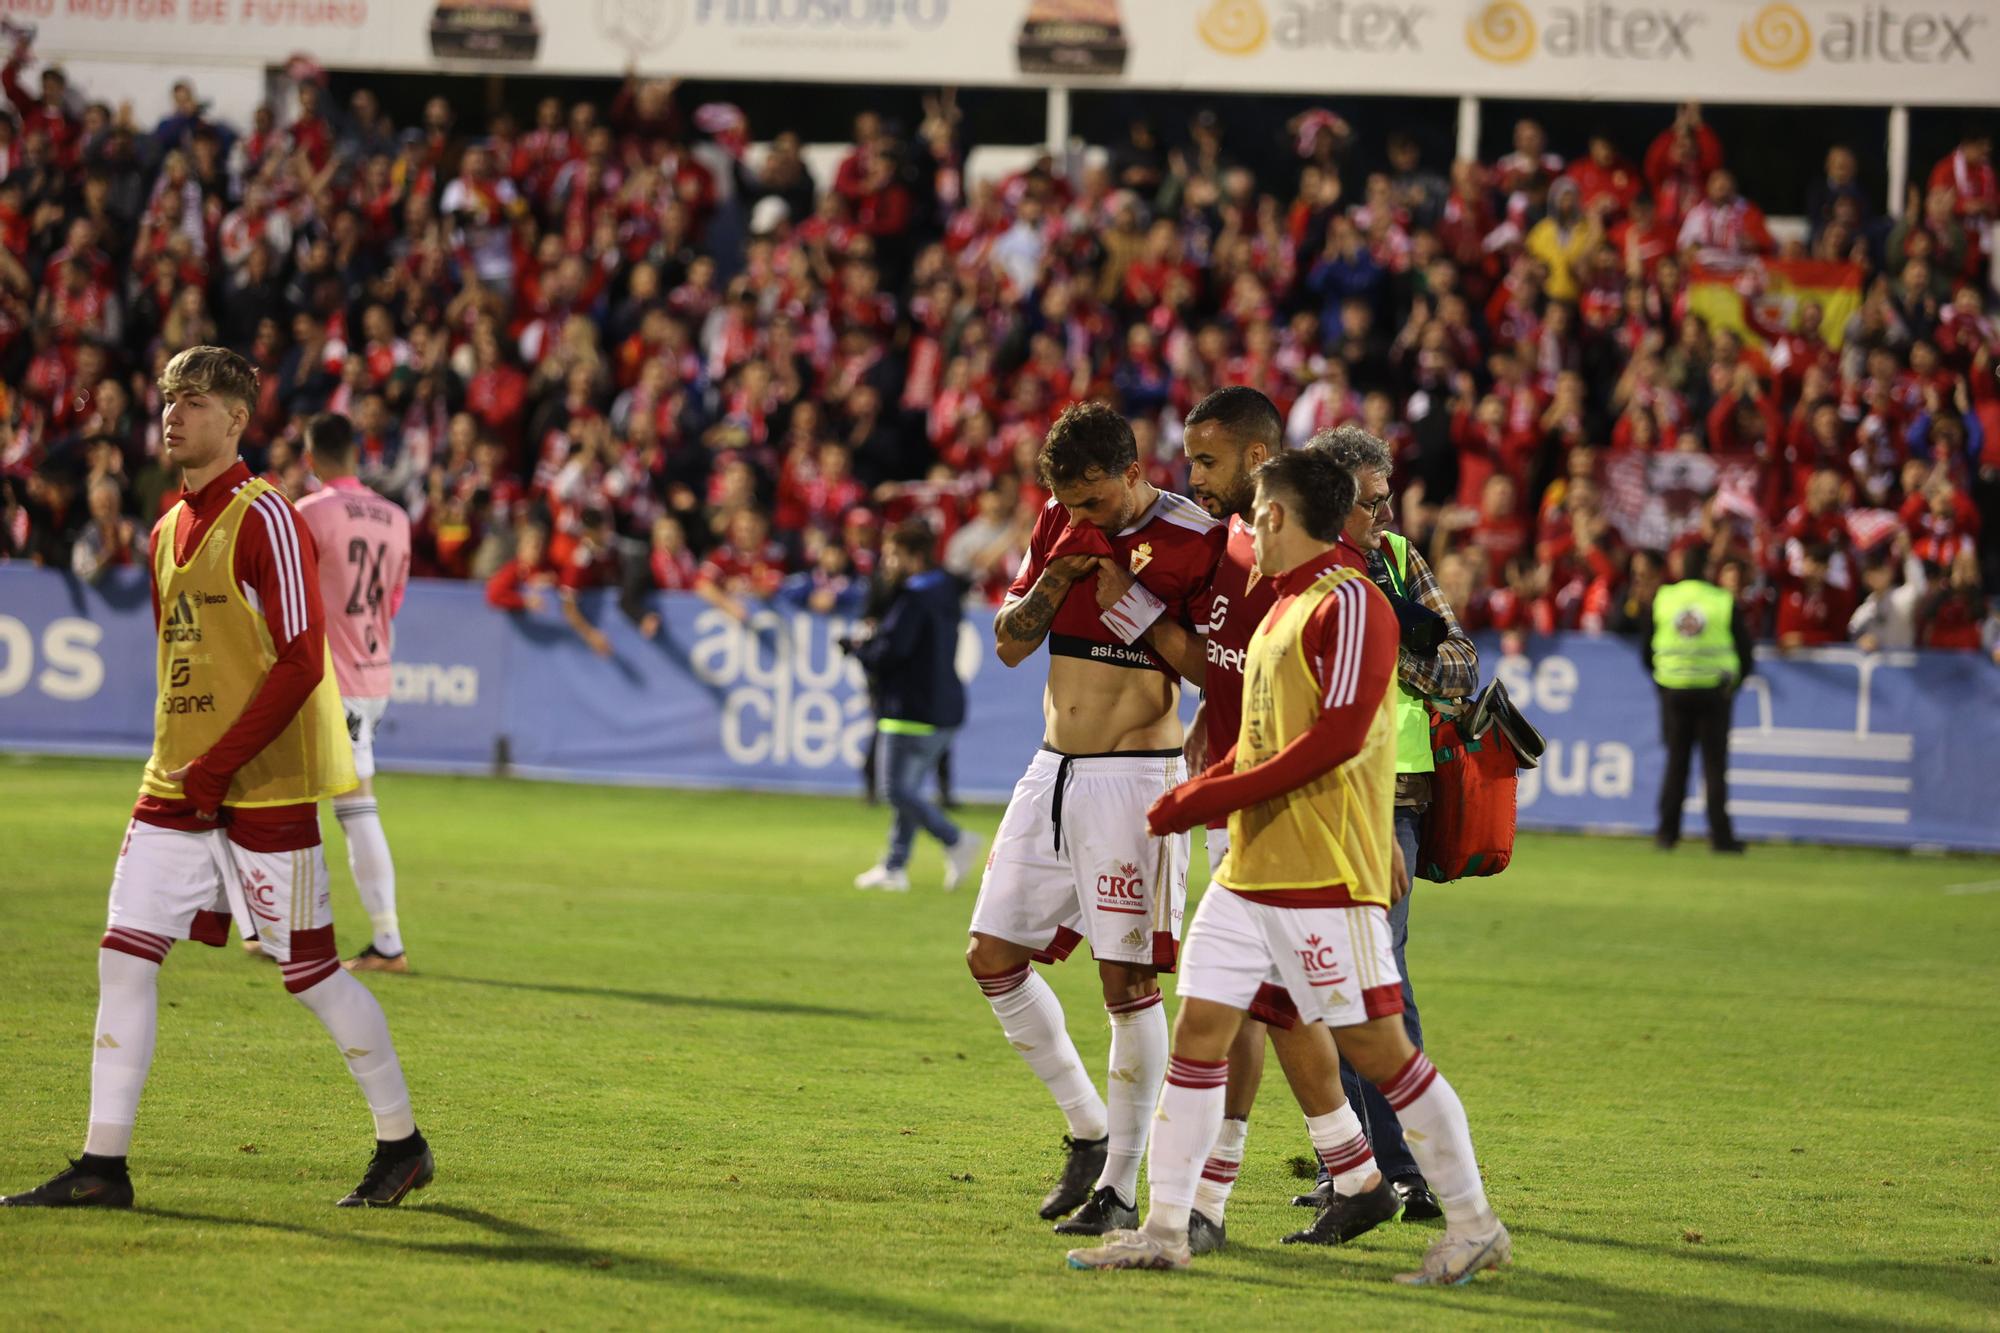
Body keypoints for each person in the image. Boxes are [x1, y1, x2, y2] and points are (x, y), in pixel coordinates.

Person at [2, 347, 432, 1210]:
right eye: (167, 397)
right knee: (123, 956)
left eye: (193, 400)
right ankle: (103, 1163)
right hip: (175, 786)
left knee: (310, 975)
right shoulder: (164, 530)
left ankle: (403, 1143)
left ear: (236, 420)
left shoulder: (267, 514)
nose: (172, 414)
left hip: (260, 784)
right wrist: (185, 765)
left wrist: (222, 764)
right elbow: (179, 664)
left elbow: (306, 657)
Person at [1067, 446, 1510, 1281]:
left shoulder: (1351, 606)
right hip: (1250, 871)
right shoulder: (1280, 607)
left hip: (1322, 873)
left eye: (1251, 518)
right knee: (1201, 1030)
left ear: (1273, 515)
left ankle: (1473, 1221)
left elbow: (1337, 739)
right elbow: (1259, 743)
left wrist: (1199, 801)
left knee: (1382, 1050)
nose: (1242, 533)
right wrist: (1208, 782)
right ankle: (1166, 1227)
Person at [1087, 387, 1397, 1256]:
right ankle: (1349, 1173)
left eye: (1208, 462)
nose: (1194, 478)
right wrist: (1145, 620)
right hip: (1238, 795)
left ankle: (1209, 1204)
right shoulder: (1230, 547)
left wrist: (1377, 828)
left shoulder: (1305, 567)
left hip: (1280, 813)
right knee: (1263, 1006)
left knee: (1274, 1011)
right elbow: (1219, 667)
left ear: (1260, 462)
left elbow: (1346, 714)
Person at [968, 401, 1223, 1237]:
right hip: (1052, 768)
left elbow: (1218, 674)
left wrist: (1133, 601)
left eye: (1095, 502)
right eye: (1068, 504)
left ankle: (1119, 1187)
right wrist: (1057, 574)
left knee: (1128, 984)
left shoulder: (1194, 538)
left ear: (1133, 471)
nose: (1082, 516)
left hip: (1134, 779)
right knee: (992, 955)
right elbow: (1009, 643)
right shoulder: (1057, 520)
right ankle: (1088, 1124)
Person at [1293, 424, 1481, 1226]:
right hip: (1305, 795)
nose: (1384, 514)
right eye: (1370, 503)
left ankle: (1409, 1168)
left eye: (1386, 498)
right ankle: (1359, 1164)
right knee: (1317, 981)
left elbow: (1459, 669)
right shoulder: (1295, 564)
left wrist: (1386, 634)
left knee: (1378, 977)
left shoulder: (1399, 563)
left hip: (1389, 799)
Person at [297, 412, 414, 972]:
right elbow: (391, 603)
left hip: (328, 681)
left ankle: (381, 940)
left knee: (341, 806)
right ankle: (271, 926)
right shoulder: (396, 518)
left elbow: (287, 599)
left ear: (311, 457)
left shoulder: (310, 513)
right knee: (327, 801)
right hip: (374, 672)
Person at [847, 521, 980, 893]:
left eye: (893, 554)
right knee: (908, 790)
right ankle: (894, 866)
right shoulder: (945, 589)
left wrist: (860, 649)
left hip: (910, 708)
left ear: (913, 557)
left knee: (894, 791)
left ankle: (954, 839)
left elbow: (889, 654)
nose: (886, 561)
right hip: (945, 707)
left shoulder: (913, 597)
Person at [1641, 545, 1753, 853]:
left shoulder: (1664, 599)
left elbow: (1646, 650)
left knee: (1676, 764)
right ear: (1708, 568)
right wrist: (1732, 685)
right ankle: (1721, 838)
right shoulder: (1721, 601)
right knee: (1714, 767)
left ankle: (1666, 834)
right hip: (1713, 692)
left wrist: (1664, 682)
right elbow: (1745, 652)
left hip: (1673, 691)